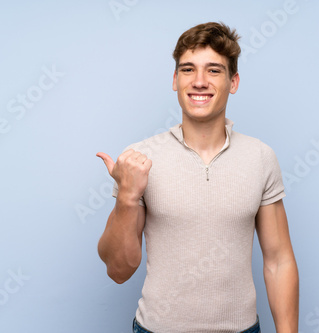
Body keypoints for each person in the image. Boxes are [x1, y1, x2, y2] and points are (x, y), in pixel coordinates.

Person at [96, 22, 299, 333]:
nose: (200, 81)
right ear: (175, 80)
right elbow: (118, 270)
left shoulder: (260, 157)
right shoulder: (138, 159)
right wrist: (127, 196)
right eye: (188, 70)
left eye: (214, 70)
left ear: (234, 82)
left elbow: (279, 260)